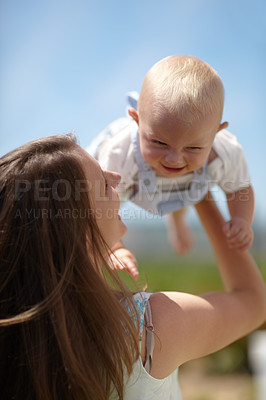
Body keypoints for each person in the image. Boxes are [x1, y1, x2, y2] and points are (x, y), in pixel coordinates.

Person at [0, 134, 265, 400]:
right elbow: (253, 302)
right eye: (104, 184)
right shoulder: (153, 329)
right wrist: (198, 187)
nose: (117, 178)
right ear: (76, 229)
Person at [88, 55, 254, 280]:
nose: (175, 159)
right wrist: (116, 247)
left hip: (176, 189)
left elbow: (240, 189)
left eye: (194, 147)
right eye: (159, 143)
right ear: (137, 120)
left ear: (217, 132)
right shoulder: (119, 154)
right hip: (123, 184)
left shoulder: (224, 153)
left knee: (181, 188)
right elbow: (99, 207)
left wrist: (242, 220)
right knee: (84, 214)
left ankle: (176, 220)